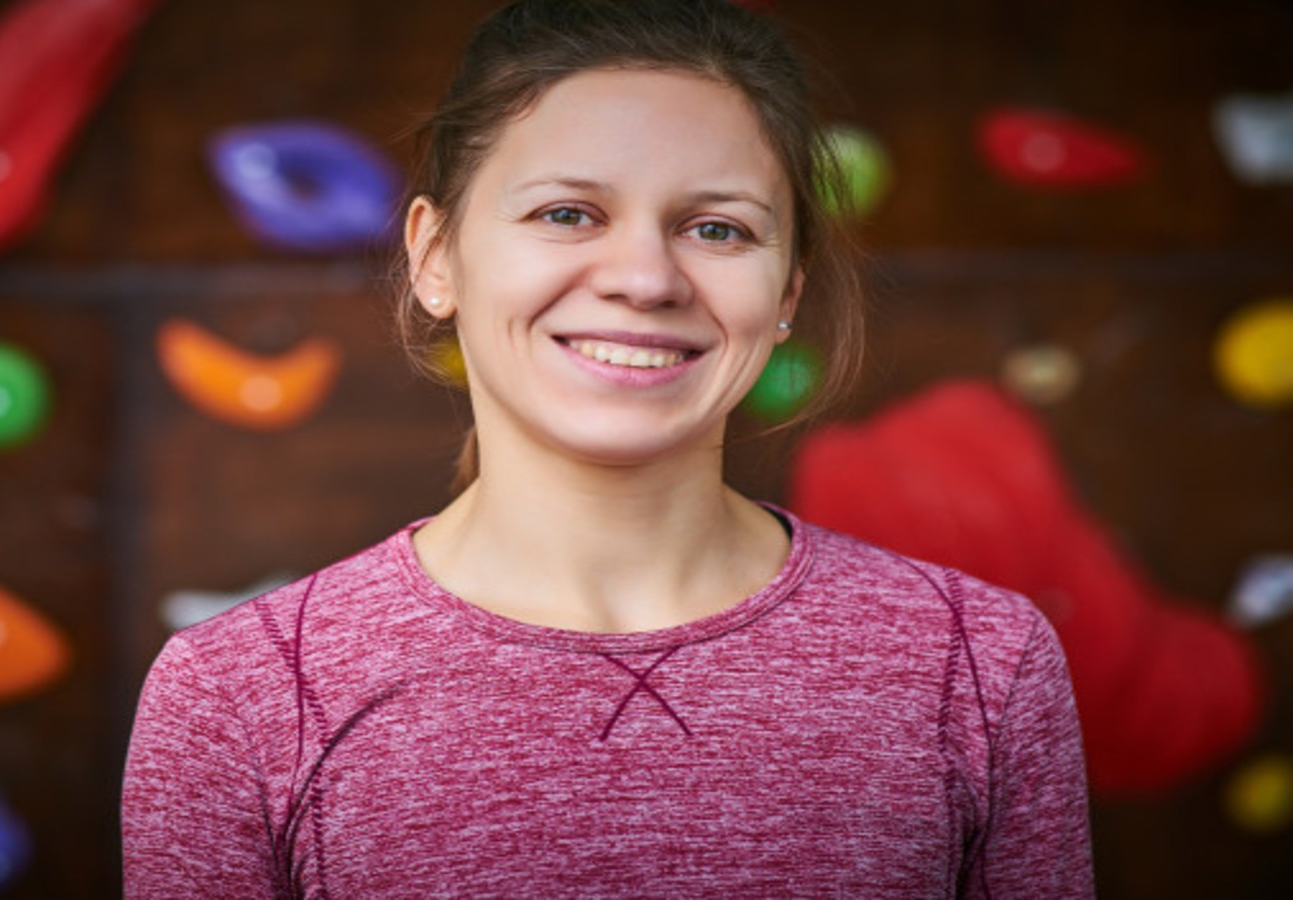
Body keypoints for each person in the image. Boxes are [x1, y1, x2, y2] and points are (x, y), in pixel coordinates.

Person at [122, 0, 1095, 896]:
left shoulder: (980, 663)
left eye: (716, 228)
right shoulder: (238, 694)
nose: (643, 278)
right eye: (566, 214)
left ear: (787, 293)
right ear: (435, 258)